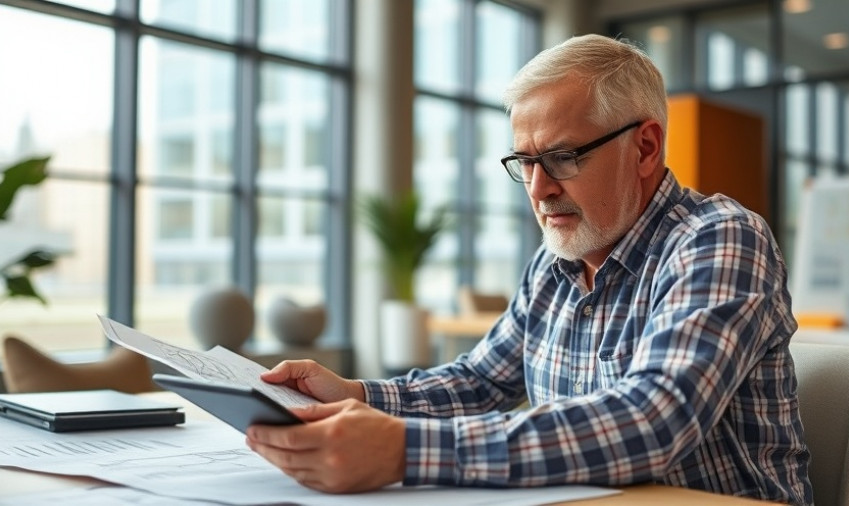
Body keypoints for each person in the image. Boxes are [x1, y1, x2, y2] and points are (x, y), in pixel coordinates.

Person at [245, 34, 813, 505]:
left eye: (564, 157)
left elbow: (653, 420)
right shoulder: (556, 259)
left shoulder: (720, 238)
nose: (539, 190)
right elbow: (480, 382)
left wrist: (402, 449)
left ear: (644, 149)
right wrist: (359, 395)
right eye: (525, 162)